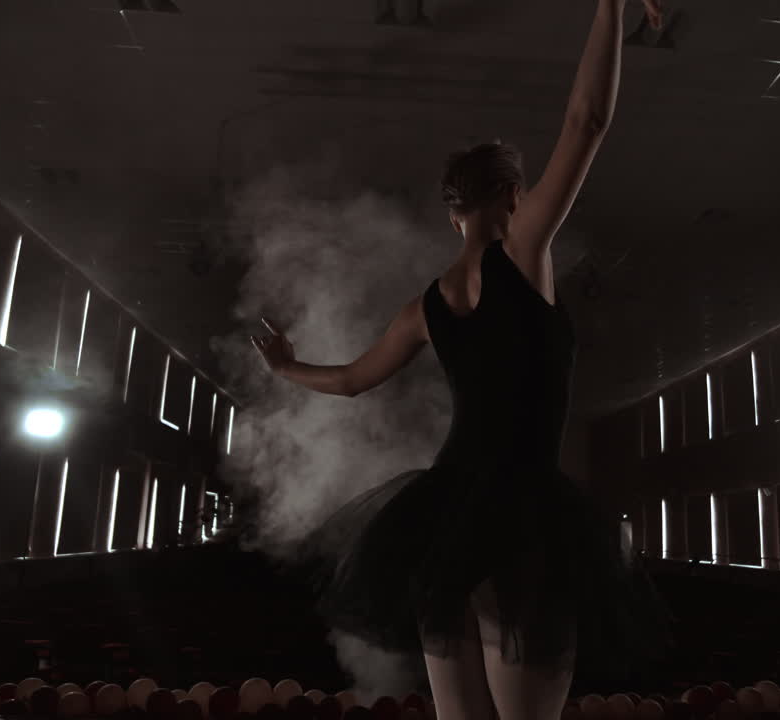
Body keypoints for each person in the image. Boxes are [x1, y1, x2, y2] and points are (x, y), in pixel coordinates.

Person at [252, 0, 672, 717]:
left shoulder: (428, 305)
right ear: (513, 195)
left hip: (446, 516)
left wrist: (286, 368)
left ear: (454, 213)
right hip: (525, 514)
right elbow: (586, 123)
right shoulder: (524, 252)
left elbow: (353, 382)